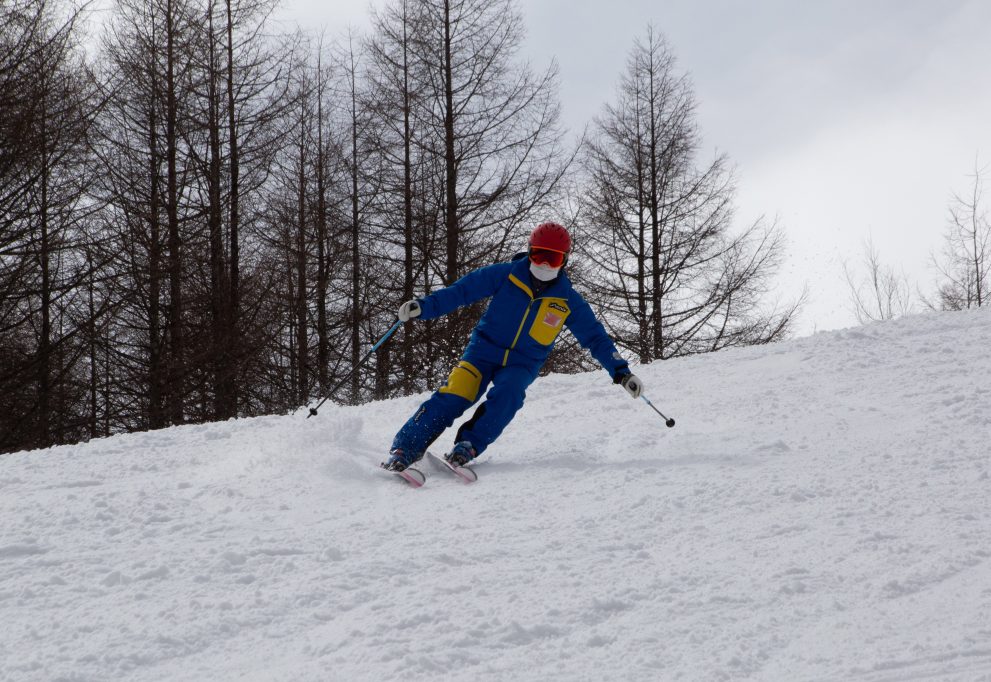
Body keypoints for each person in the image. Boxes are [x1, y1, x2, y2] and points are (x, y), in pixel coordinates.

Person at [383, 222, 643, 471]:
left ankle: (468, 445)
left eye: (552, 259)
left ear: (564, 261)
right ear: (529, 252)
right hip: (483, 351)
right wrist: (423, 307)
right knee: (457, 392)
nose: (543, 264)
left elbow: (595, 337)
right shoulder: (504, 275)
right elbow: (461, 292)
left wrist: (621, 371)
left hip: (523, 363)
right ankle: (406, 448)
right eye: (538, 255)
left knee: (510, 393)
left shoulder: (567, 300)